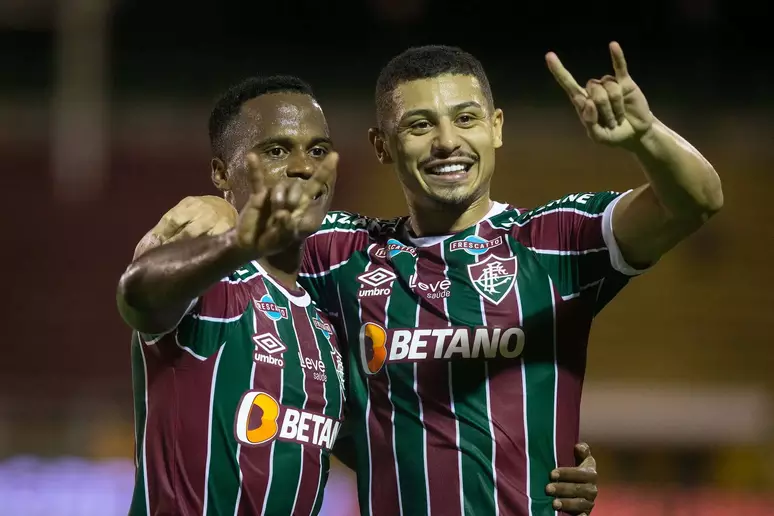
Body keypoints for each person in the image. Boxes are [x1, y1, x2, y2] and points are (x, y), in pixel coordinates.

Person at [138, 40, 722, 515]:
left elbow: (695, 202)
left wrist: (647, 136)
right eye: (419, 125)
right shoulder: (341, 254)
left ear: (496, 127)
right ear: (382, 146)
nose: (447, 142)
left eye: (465, 119)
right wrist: (215, 210)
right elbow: (256, 223)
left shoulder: (555, 241)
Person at [117, 75, 346, 515]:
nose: (304, 167)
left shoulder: (324, 325)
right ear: (222, 172)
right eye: (276, 151)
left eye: (318, 150)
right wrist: (236, 245)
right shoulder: (211, 279)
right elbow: (138, 297)